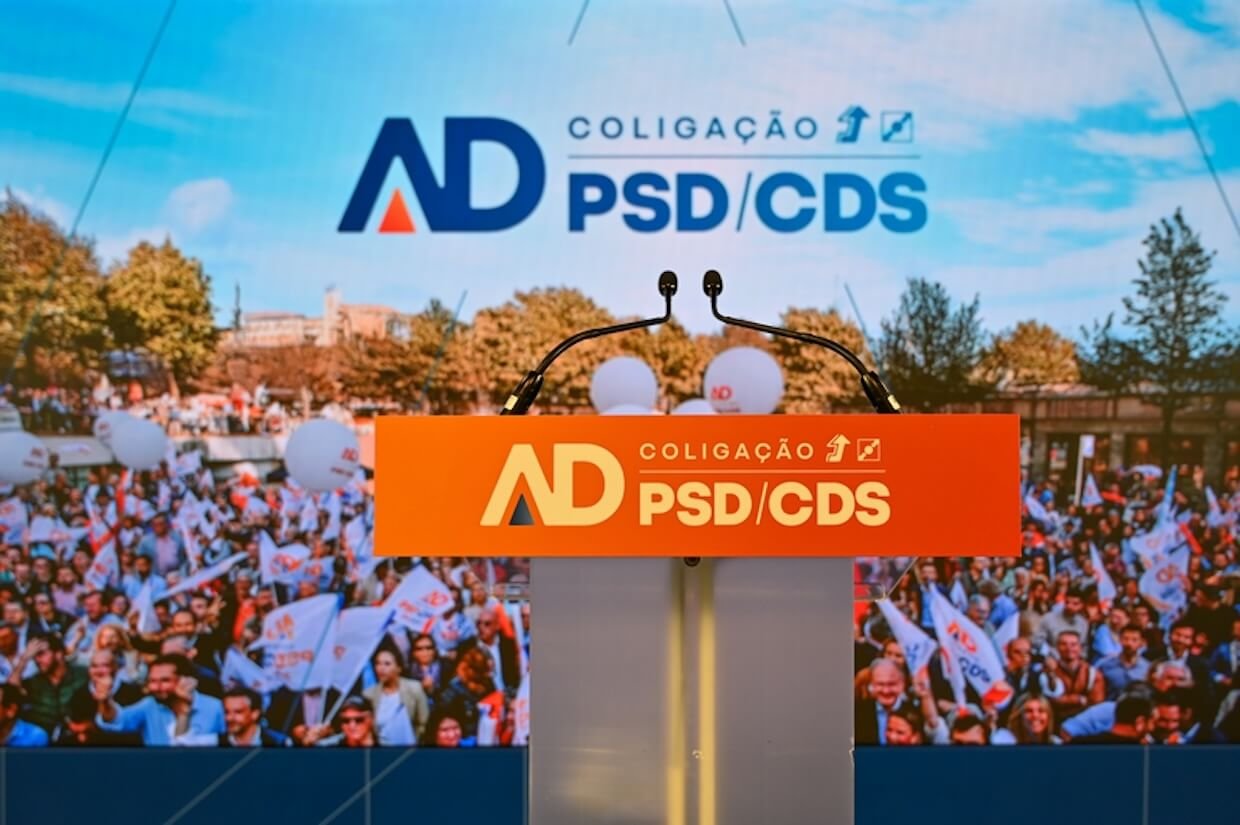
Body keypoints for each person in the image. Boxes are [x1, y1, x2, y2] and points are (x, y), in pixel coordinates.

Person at [93, 653, 225, 746]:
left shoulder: (215, 707)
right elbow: (117, 721)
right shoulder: (149, 705)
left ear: (186, 681)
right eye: (152, 681)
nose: (156, 687)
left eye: (165, 681)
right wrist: (105, 701)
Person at [15, 635, 87, 735]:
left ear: (58, 654)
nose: (37, 660)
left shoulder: (82, 675)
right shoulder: (33, 682)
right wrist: (24, 659)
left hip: (74, 734)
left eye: (41, 654)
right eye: (34, 656)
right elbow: (8, 693)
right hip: (41, 735)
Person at [363, 647, 429, 745]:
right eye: (378, 663)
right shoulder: (369, 694)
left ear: (399, 668)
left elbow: (423, 722)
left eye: (387, 664)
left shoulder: (414, 689)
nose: (381, 668)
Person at [1096, 624, 1152, 701]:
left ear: (1141, 642)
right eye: (1125, 639)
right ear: (1120, 640)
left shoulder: (1148, 668)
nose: (1129, 643)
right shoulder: (1104, 665)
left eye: (1134, 640)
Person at [1068, 694, 1152, 744]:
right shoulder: (1143, 754)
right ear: (1140, 722)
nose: (1152, 727)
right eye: (1152, 722)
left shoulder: (1078, 744)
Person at [219, 687, 288, 747]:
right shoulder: (215, 741)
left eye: (238, 712)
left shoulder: (280, 742)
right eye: (226, 712)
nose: (229, 718)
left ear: (255, 714)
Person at [992, 694, 1059, 745]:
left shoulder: (1056, 742)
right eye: (1029, 711)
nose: (1035, 715)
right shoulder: (1004, 739)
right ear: (1019, 717)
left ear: (1049, 716)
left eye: (1041, 711)